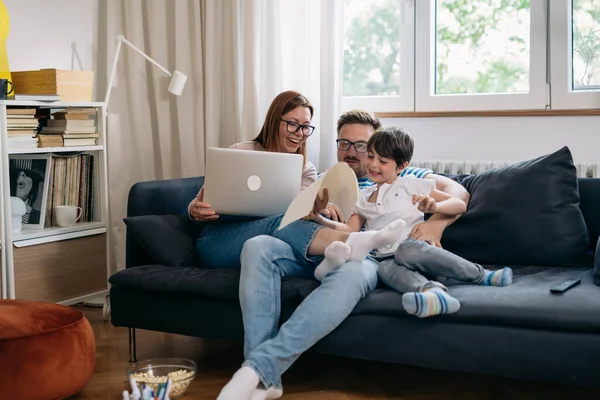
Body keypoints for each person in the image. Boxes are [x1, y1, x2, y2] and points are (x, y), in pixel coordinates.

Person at [307, 127, 513, 318]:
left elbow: (459, 204)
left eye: (383, 161)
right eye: (370, 156)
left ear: (402, 166)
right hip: (385, 258)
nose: (373, 164)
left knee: (405, 250)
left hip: (415, 250)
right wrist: (319, 218)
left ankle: (481, 275)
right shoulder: (363, 196)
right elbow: (350, 230)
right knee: (384, 270)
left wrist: (434, 208)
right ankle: (433, 294)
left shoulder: (411, 185)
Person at [187, 90, 325, 269]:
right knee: (281, 220)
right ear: (274, 122)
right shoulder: (240, 152)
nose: (300, 133)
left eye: (306, 126)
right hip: (218, 239)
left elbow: (296, 217)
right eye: (292, 124)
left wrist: (317, 212)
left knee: (285, 221)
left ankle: (333, 251)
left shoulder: (306, 169)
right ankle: (340, 243)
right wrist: (194, 209)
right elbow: (198, 201)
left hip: (265, 242)